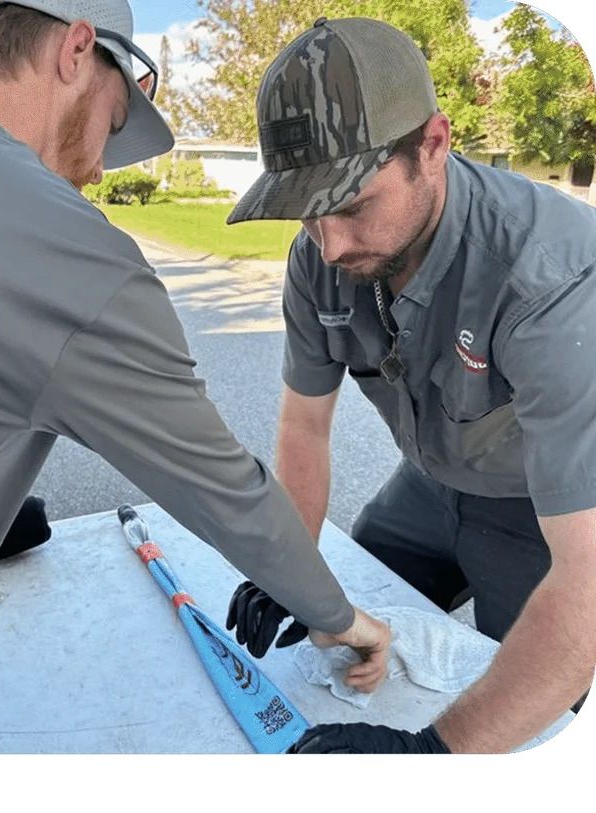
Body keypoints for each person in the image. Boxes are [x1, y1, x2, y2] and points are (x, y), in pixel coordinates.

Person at [0, 0, 394, 750]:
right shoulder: (66, 253)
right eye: (114, 117)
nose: (97, 169)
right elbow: (225, 489)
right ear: (76, 50)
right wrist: (341, 620)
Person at [222, 17, 596, 755]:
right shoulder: (319, 257)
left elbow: (586, 586)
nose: (328, 244)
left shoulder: (549, 281)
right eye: (307, 208)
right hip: (426, 485)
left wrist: (432, 757)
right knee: (342, 629)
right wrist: (289, 567)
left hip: (543, 511)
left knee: (540, 720)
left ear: (434, 144)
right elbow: (304, 428)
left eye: (353, 205)